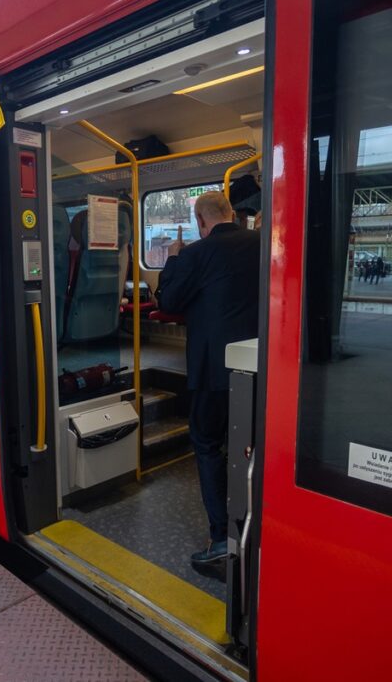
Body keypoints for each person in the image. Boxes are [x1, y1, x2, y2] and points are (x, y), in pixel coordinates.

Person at [156, 191, 260, 567]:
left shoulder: (195, 254)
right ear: (232, 213)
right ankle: (257, 528)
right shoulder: (261, 244)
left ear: (200, 221)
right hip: (258, 367)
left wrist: (172, 261)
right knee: (250, 444)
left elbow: (168, 302)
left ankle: (221, 539)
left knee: (206, 444)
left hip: (213, 371)